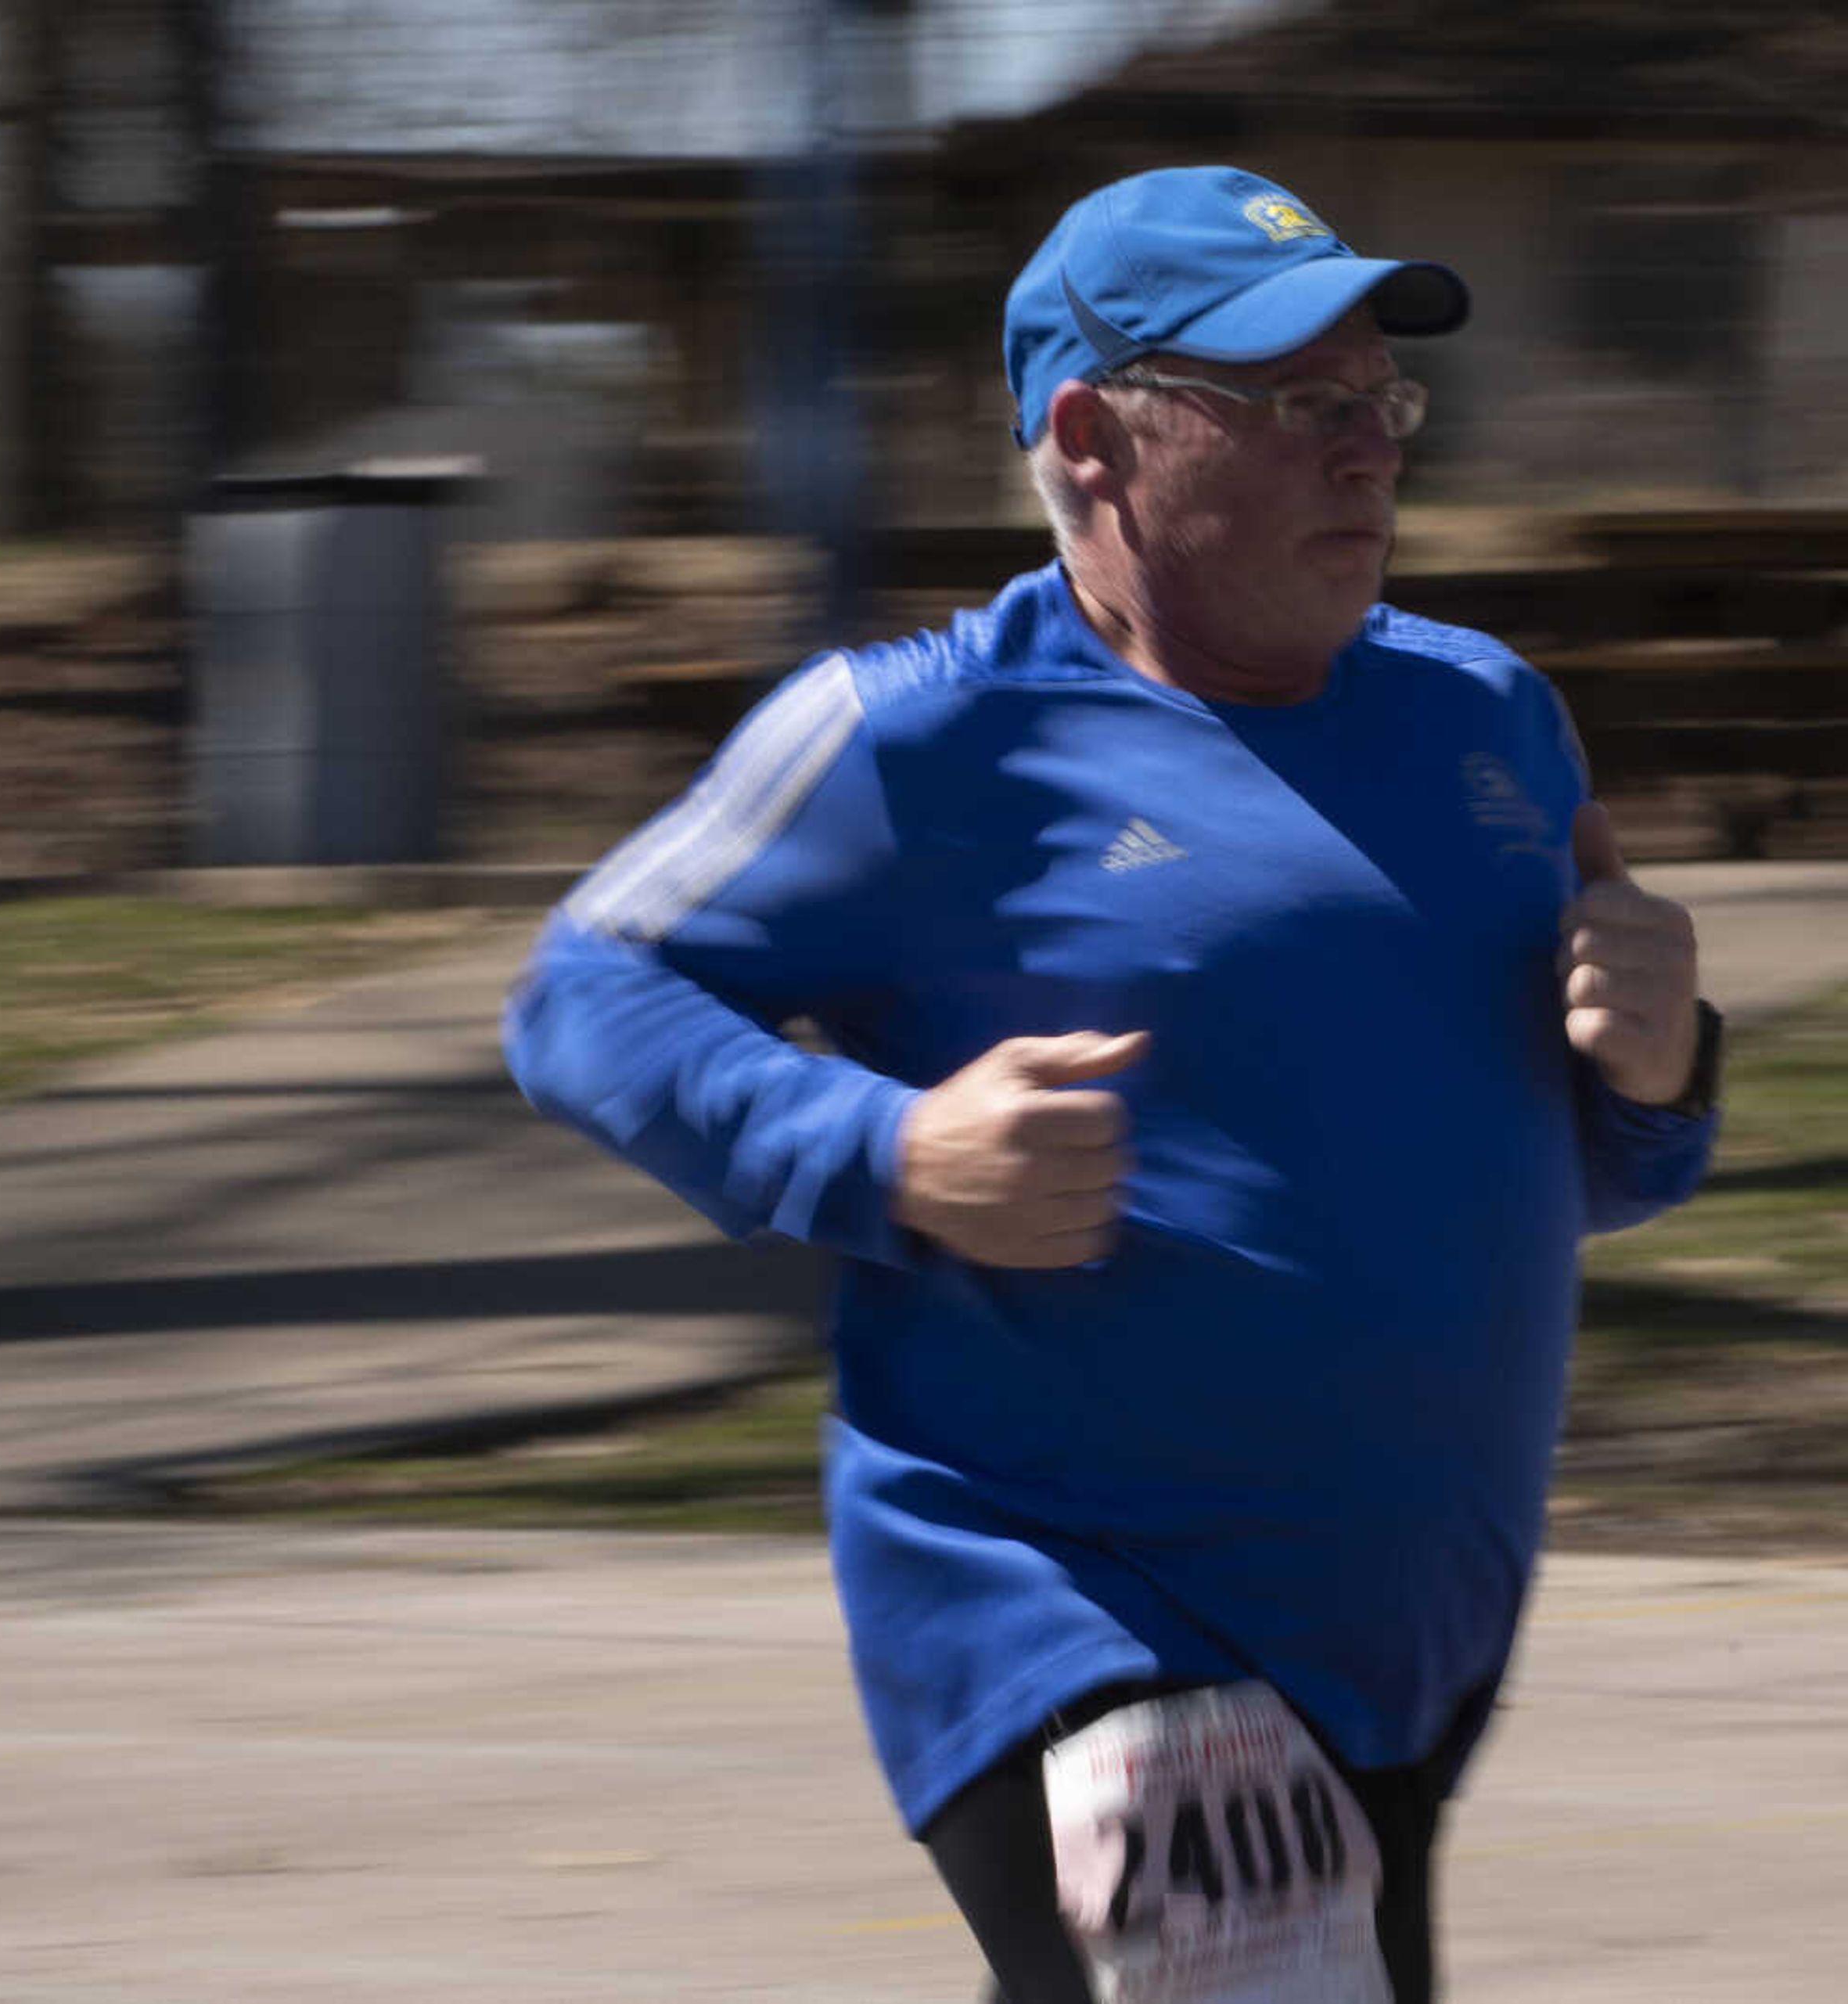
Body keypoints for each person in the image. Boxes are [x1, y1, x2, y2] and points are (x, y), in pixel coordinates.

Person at [503, 164, 1722, 2004]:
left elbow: (1593, 1174)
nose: (1369, 453)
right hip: (1080, 1610)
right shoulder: (919, 735)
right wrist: (890, 1147)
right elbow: (584, 990)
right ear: (1093, 436)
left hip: (1410, 1631)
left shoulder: (1487, 718)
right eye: (1299, 406)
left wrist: (1661, 1067)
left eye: (1380, 401)